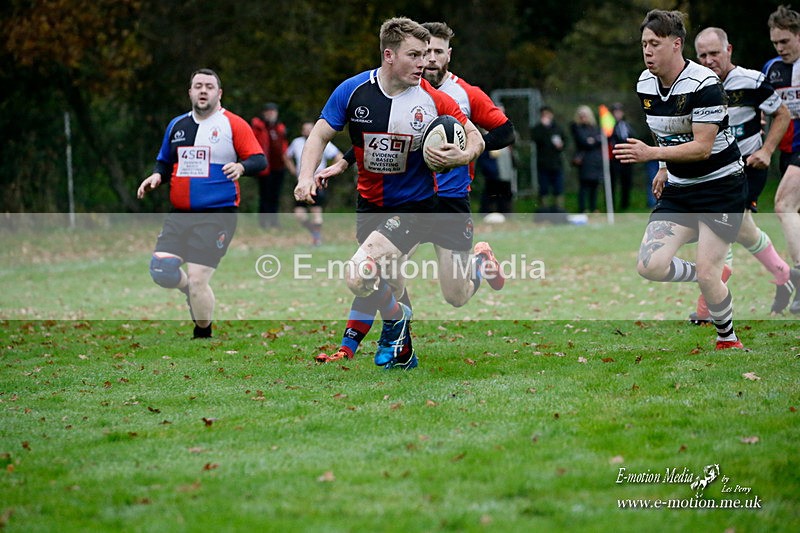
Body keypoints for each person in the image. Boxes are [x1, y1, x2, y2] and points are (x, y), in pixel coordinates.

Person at [293, 17, 486, 370]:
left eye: (427, 54)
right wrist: (306, 176)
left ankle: (395, 327)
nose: (424, 63)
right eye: (414, 55)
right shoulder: (353, 91)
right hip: (370, 206)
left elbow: (476, 137)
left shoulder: (432, 99)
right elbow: (320, 135)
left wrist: (462, 155)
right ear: (389, 55)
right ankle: (403, 349)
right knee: (388, 283)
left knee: (358, 273)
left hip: (416, 208)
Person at [613, 10, 747, 351]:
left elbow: (702, 148)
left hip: (721, 187)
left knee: (708, 274)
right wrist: (661, 167)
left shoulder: (705, 84)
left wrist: (652, 158)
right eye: (644, 44)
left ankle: (727, 339)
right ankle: (708, 273)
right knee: (649, 265)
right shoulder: (644, 82)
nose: (647, 51)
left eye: (654, 44)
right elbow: (665, 133)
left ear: (676, 45)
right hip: (680, 189)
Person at [137, 68, 266, 338]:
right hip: (179, 214)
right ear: (190, 92)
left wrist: (242, 167)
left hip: (217, 214)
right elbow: (164, 160)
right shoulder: (177, 126)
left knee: (198, 279)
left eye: (209, 86)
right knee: (161, 270)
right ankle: (188, 292)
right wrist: (157, 175)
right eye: (198, 86)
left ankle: (202, 332)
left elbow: (259, 160)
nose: (203, 90)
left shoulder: (233, 124)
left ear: (219, 93)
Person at [693, 26, 799, 320]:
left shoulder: (752, 80)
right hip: (715, 173)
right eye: (702, 55)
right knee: (744, 231)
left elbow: (782, 114)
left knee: (719, 226)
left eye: (714, 53)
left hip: (747, 170)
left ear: (728, 51)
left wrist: (766, 151)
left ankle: (708, 307)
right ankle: (784, 274)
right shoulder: (695, 86)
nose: (708, 60)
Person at [764, 4, 800, 313]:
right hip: (787, 153)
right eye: (776, 42)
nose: (780, 48)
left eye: (785, 41)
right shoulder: (771, 69)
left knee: (783, 205)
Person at [284, 121, 343, 246]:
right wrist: (294, 171)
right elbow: (286, 156)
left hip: (316, 181)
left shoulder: (323, 142)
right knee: (299, 215)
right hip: (301, 181)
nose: (307, 131)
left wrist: (328, 171)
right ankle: (315, 233)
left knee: (316, 211)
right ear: (302, 131)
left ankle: (317, 240)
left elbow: (339, 157)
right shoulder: (297, 142)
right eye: (305, 129)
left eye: (310, 129)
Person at [251, 102, 288, 229]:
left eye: (273, 112)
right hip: (265, 168)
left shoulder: (280, 128)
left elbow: (283, 145)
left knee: (275, 195)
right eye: (268, 112)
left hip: (279, 167)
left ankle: (274, 222)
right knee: (265, 195)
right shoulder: (259, 127)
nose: (271, 114)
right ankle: (263, 223)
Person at [531, 105, 566, 212]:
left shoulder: (557, 128)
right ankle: (544, 209)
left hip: (556, 163)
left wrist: (561, 145)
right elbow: (536, 139)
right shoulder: (538, 128)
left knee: (558, 187)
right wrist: (544, 128)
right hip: (543, 164)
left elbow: (565, 141)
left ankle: (558, 209)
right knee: (544, 188)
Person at [570, 105, 604, 213]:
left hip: (595, 160)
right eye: (581, 115)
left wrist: (592, 140)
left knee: (594, 185)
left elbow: (599, 140)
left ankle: (593, 207)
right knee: (584, 186)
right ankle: (582, 208)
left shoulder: (594, 127)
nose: (583, 117)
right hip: (584, 161)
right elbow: (583, 141)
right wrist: (592, 141)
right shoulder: (576, 127)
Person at [608, 103, 637, 211]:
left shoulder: (626, 125)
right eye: (616, 112)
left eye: (619, 112)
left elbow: (633, 136)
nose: (618, 114)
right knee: (613, 182)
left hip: (627, 157)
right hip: (615, 158)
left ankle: (625, 205)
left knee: (626, 182)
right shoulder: (609, 126)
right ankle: (612, 206)